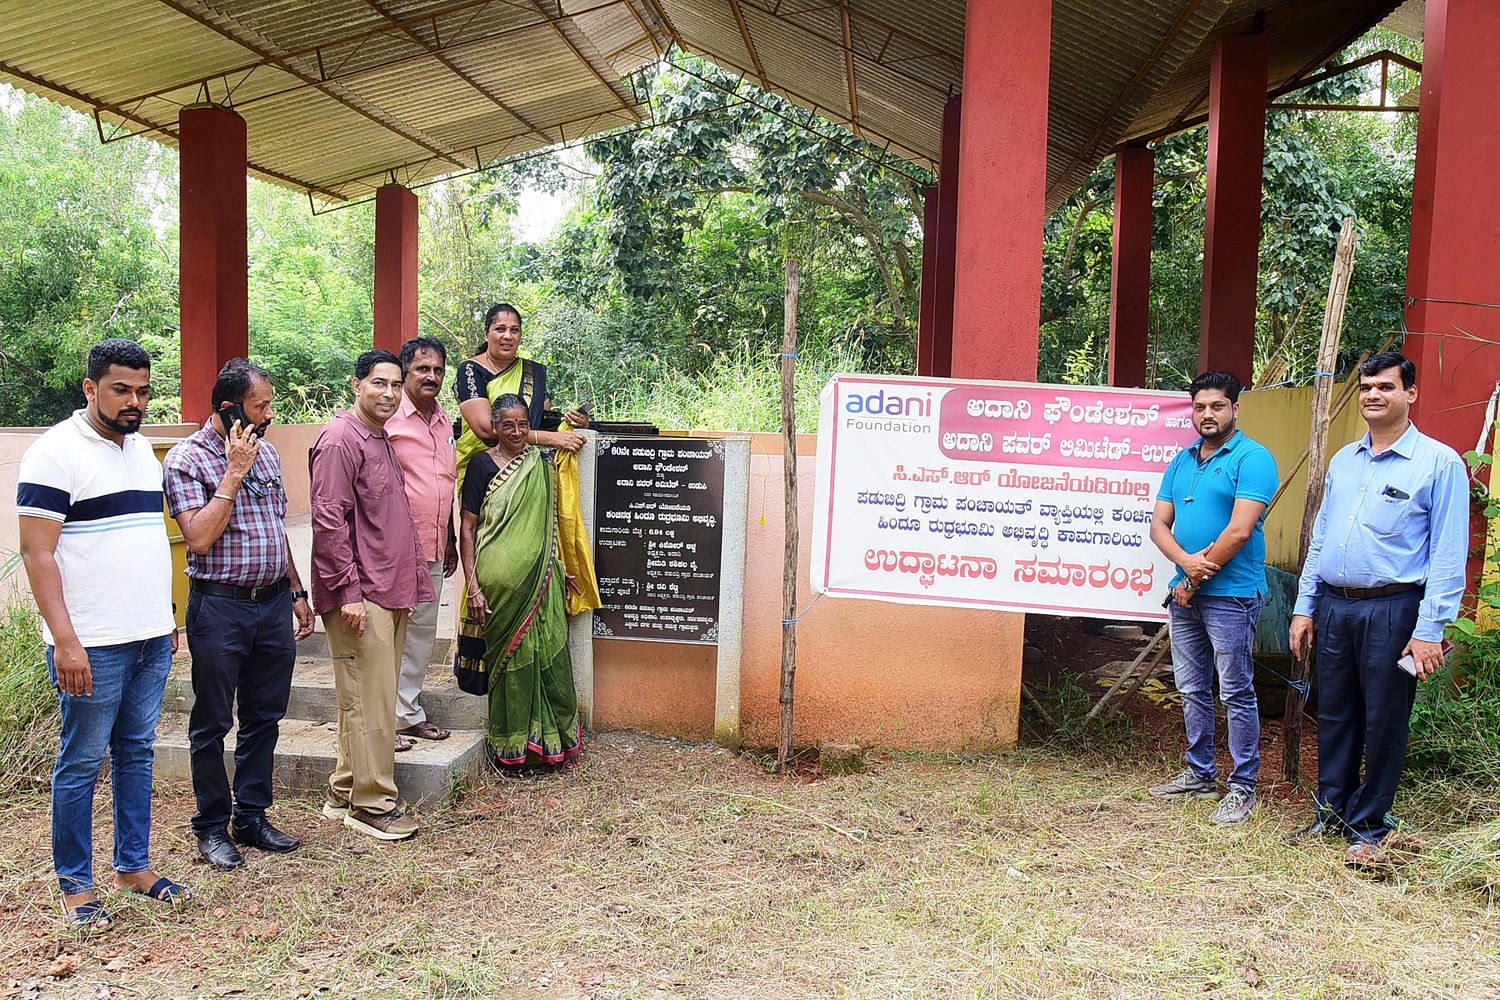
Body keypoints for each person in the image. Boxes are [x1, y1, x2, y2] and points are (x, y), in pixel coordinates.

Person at [17, 338, 188, 933]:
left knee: (137, 752)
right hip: (90, 644)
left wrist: (165, 618)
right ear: (90, 389)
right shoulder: (54, 454)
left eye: (143, 390)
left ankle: (132, 868)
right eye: (121, 389)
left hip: (148, 635)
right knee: (83, 761)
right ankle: (76, 884)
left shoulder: (144, 452)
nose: (134, 401)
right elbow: (38, 554)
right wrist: (66, 640)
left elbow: (143, 541)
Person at [1288, 351, 1469, 867]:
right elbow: (1320, 539)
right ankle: (1332, 810)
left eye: (1385, 387)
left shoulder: (1439, 463)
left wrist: (1429, 628)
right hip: (1336, 607)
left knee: (1385, 720)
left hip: (1395, 610)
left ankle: (1368, 826)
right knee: (1335, 712)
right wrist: (1304, 608)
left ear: (1411, 394)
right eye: (1367, 386)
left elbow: (1449, 554)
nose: (1373, 395)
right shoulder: (1344, 460)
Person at [163, 358, 315, 870]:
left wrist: (296, 589)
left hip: (272, 603)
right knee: (211, 722)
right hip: (220, 607)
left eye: (270, 405)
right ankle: (211, 827)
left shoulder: (268, 453)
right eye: (260, 406)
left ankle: (252, 816)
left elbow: (276, 526)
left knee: (265, 716)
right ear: (228, 410)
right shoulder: (187, 460)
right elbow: (200, 537)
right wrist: (233, 472)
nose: (269, 415)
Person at [309, 349, 435, 841]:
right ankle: (372, 805)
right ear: (356, 385)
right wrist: (348, 593)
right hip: (361, 593)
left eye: (394, 385)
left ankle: (344, 791)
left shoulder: (376, 438)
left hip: (389, 586)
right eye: (378, 383)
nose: (388, 392)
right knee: (372, 703)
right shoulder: (342, 439)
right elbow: (328, 520)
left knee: (362, 699)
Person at [1148, 370, 1278, 824]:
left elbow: (1239, 530)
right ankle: (1200, 773)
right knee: (1191, 688)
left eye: (1217, 406)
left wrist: (1192, 579)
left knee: (1236, 691)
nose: (1208, 414)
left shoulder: (1253, 458)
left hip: (1231, 596)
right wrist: (1185, 564)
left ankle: (1243, 787)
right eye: (1200, 407)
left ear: (1235, 409)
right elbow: (1158, 526)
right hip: (1185, 594)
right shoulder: (1182, 460)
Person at [456, 394, 583, 767]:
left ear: (531, 426)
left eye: (523, 424)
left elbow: (548, 525)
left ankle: (550, 739)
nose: (515, 432)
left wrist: (556, 565)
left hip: (540, 579)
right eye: (507, 425)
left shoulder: (540, 464)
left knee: (546, 653)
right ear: (494, 427)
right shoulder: (480, 465)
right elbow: (467, 528)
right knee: (510, 662)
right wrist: (473, 586)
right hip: (497, 582)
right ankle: (511, 745)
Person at [385, 336, 459, 748]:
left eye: (437, 370)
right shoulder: (389, 417)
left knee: (421, 636)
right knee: (388, 635)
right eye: (421, 369)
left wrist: (447, 536)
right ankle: (381, 722)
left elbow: (442, 483)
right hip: (393, 550)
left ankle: (406, 715)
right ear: (405, 372)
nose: (431, 377)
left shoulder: (445, 421)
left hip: (432, 547)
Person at [453, 303, 589, 490]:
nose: (508, 336)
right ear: (486, 334)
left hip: (527, 471)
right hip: (483, 474)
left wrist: (574, 423)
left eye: (514, 330)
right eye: (500, 329)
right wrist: (552, 438)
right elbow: (487, 431)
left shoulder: (531, 373)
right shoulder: (470, 370)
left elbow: (539, 421)